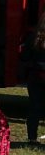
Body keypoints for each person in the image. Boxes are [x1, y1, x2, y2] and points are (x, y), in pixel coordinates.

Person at [21, 12, 45, 143]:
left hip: (35, 76)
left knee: (34, 108)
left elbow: (24, 57)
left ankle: (32, 137)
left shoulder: (33, 36)